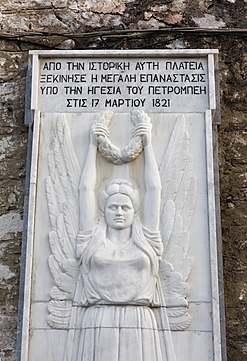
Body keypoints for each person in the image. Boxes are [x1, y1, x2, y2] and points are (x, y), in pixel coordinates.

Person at [70, 120, 176, 361]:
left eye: (125, 207)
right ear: (103, 211)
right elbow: (85, 189)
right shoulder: (91, 241)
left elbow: (153, 189)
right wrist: (91, 146)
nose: (119, 212)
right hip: (98, 319)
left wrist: (148, 145)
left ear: (134, 211)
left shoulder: (147, 239)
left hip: (139, 320)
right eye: (113, 207)